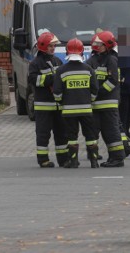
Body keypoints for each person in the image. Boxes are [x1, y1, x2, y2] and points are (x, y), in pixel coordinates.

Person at [53, 38, 100, 168]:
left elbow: (57, 92)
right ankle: (94, 161)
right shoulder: (89, 69)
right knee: (90, 136)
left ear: (67, 52)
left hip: (68, 111)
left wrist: (61, 102)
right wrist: (89, 100)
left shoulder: (61, 71)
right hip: (86, 110)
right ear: (81, 52)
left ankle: (73, 161)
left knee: (72, 137)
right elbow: (95, 89)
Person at [28, 31, 69, 168]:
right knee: (43, 134)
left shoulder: (57, 61)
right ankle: (43, 159)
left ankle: (63, 159)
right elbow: (35, 80)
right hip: (44, 105)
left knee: (62, 133)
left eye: (54, 46)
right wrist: (53, 78)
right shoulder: (35, 64)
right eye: (51, 46)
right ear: (44, 46)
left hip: (58, 105)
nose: (53, 48)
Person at [86, 31, 127, 167]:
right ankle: (112, 157)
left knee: (111, 131)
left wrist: (97, 92)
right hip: (98, 103)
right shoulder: (95, 59)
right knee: (105, 132)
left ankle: (118, 158)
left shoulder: (111, 60)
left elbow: (112, 81)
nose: (97, 46)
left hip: (108, 103)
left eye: (100, 44)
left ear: (107, 45)